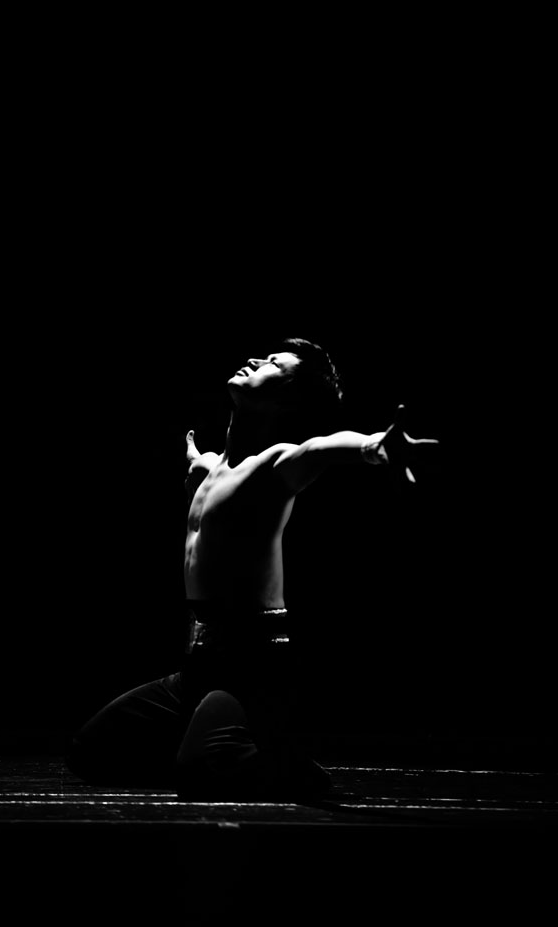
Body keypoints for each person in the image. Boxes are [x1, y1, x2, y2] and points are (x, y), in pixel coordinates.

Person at [65, 337, 439, 802]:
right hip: (199, 666)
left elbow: (323, 448)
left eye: (273, 364)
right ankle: (211, 755)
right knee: (89, 753)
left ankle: (285, 765)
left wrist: (373, 447)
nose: (255, 360)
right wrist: (195, 467)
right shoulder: (207, 469)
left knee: (202, 772)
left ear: (288, 397)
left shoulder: (276, 464)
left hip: (253, 668)